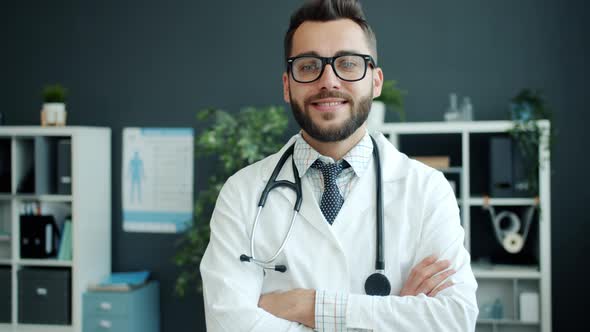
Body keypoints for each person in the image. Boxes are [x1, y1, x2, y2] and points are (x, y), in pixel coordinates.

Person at [200, 0, 478, 330]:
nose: (328, 80)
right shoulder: (243, 194)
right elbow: (227, 324)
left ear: (375, 82)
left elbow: (455, 320)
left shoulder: (427, 190)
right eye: (308, 66)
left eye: (347, 64)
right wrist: (395, 313)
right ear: (288, 86)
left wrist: (311, 306)